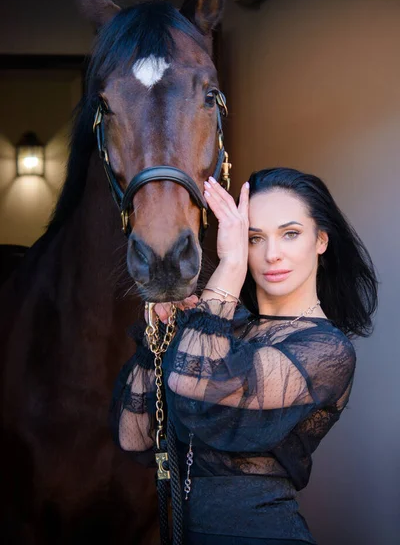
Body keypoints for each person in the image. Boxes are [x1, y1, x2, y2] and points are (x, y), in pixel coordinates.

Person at [111, 167, 378, 545]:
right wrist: (162, 334)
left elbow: (193, 382)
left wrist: (231, 266)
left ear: (320, 240)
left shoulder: (326, 350)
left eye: (290, 234)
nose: (272, 255)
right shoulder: (221, 329)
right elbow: (134, 436)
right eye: (254, 238)